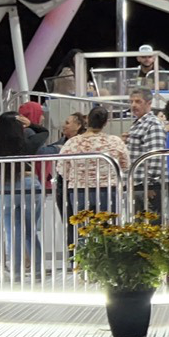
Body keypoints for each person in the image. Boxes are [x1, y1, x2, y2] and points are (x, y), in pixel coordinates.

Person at [56, 105, 128, 257]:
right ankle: (109, 264)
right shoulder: (115, 142)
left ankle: (84, 268)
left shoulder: (72, 143)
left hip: (79, 190)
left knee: (82, 230)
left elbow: (62, 168)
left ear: (87, 120)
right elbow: (125, 165)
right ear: (105, 123)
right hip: (108, 190)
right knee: (109, 230)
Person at [0, 110, 43, 277]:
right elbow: (44, 133)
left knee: (11, 230)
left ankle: (17, 273)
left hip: (2, 186)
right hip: (28, 184)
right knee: (29, 230)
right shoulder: (27, 144)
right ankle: (38, 270)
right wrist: (31, 124)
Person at [124, 88, 166, 212]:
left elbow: (155, 157)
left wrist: (149, 184)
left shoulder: (153, 124)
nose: (133, 105)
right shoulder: (138, 124)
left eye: (138, 101)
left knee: (151, 227)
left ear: (149, 103)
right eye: (131, 102)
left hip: (147, 187)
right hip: (137, 185)